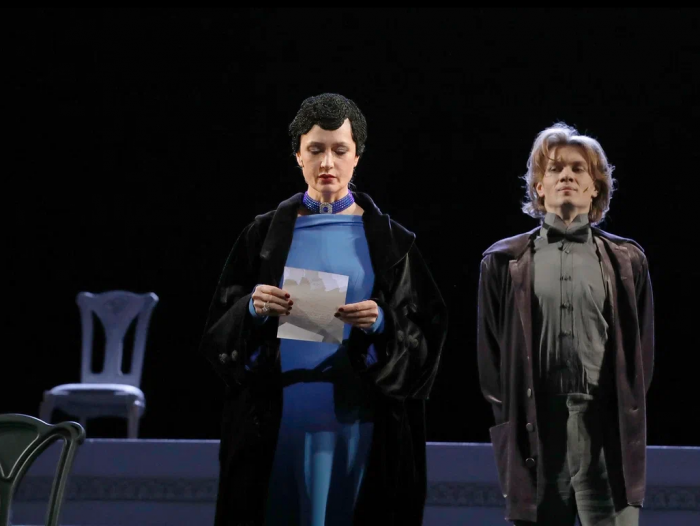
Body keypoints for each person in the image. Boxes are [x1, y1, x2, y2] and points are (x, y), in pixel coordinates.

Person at [199, 93, 447, 526]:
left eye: (339, 150)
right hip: (277, 421)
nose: (327, 162)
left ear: (357, 157)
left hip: (361, 419)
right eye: (315, 149)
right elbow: (216, 334)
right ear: (298, 155)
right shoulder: (262, 237)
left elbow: (428, 336)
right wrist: (251, 309)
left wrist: (382, 322)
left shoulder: (393, 243)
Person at [476, 123, 654, 525]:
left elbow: (641, 357)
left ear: (595, 188)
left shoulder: (627, 261)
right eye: (555, 169)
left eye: (578, 169)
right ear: (539, 187)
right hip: (537, 430)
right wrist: (514, 420)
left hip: (605, 431)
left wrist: (621, 410)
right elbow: (491, 360)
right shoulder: (503, 261)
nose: (567, 176)